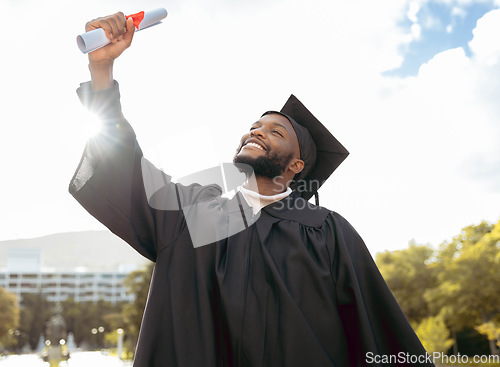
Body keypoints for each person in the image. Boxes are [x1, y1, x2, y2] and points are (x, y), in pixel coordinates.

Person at [70, 12, 434, 367]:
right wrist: (101, 70)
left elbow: (377, 331)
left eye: (276, 132)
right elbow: (122, 165)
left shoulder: (327, 231)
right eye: (255, 126)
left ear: (296, 165)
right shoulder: (191, 215)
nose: (256, 131)